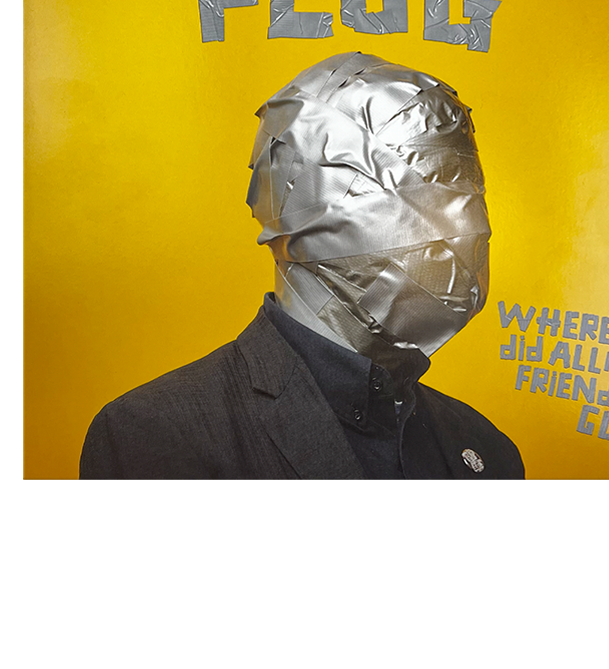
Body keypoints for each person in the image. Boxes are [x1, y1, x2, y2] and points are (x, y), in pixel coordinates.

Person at [80, 52, 524, 479]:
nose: (469, 224)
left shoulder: (486, 450)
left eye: (468, 188)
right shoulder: (158, 437)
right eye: (419, 186)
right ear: (301, 205)